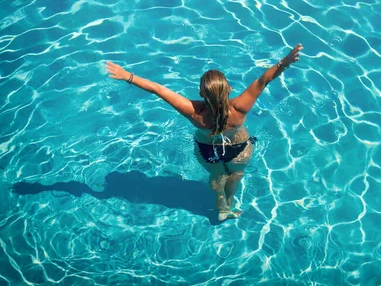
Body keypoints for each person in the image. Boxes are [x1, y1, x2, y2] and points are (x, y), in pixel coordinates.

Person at [106, 44, 303, 221]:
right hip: (239, 148)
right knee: (236, 174)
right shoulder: (239, 108)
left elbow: (158, 89)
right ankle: (231, 201)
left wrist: (128, 76)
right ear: (229, 88)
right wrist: (284, 62)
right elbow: (263, 80)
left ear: (202, 94)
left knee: (217, 178)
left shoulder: (194, 112)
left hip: (208, 151)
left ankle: (222, 208)